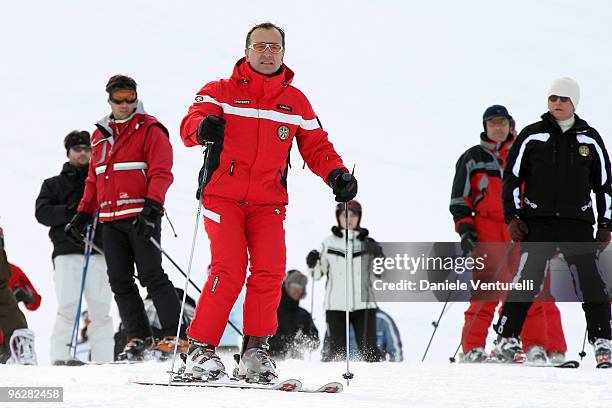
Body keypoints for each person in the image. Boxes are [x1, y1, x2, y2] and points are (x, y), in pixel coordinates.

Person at [179, 22, 357, 383]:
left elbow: (316, 145)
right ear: (246, 51)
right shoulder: (219, 91)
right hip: (222, 195)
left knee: (270, 271)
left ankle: (255, 352)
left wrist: (336, 173)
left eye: (274, 47)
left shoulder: (295, 101)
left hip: (268, 201)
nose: (267, 52)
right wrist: (201, 129)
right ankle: (200, 350)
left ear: (283, 53)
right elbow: (189, 123)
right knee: (228, 268)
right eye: (260, 46)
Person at [493, 77, 612, 364]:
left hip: (578, 223)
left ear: (574, 103)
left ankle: (603, 344)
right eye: (553, 98)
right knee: (527, 280)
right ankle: (506, 339)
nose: (557, 103)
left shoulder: (590, 138)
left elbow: (605, 185)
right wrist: (513, 217)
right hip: (538, 222)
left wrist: (605, 223)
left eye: (563, 99)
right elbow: (511, 180)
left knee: (592, 283)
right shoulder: (533, 136)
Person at [66, 75, 184, 361]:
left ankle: (175, 335)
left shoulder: (150, 129)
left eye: (129, 97)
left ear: (136, 97)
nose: (124, 103)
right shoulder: (99, 134)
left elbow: (161, 171)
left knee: (151, 274)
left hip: (140, 216)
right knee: (119, 280)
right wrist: (82, 213)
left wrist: (152, 208)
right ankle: (138, 337)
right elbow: (94, 179)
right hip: (109, 218)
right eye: (118, 98)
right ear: (109, 99)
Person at [450, 105, 567, 363]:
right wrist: (465, 229)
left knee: (530, 288)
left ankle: (534, 345)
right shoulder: (472, 158)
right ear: (485, 127)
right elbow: (459, 200)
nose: (498, 128)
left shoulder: (524, 154)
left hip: (520, 229)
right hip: (486, 229)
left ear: (510, 125)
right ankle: (472, 347)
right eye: (493, 124)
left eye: (503, 123)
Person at [35, 130, 114, 364]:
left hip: (98, 253)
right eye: (78, 149)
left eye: (87, 149)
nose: (83, 153)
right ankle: (60, 356)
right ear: (68, 152)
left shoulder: (102, 181)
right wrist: (72, 212)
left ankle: (103, 360)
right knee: (67, 305)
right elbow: (42, 213)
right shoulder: (53, 184)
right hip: (67, 252)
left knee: (100, 309)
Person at [308, 200, 382, 362]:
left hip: (365, 305)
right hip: (336, 306)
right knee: (336, 352)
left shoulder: (368, 243)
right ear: (338, 217)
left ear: (359, 218)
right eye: (344, 215)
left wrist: (379, 256)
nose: (348, 219)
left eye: (353, 215)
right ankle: (334, 382)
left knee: (370, 351)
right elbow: (317, 275)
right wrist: (313, 263)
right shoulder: (328, 242)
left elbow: (381, 274)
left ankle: (376, 382)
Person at [0, 226, 37, 365]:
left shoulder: (13, 271)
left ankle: (19, 348)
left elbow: (35, 302)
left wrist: (26, 297)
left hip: (6, 342)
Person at [268, 270, 319, 359]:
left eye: (301, 287)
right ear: (287, 285)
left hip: (294, 364)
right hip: (268, 360)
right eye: (294, 285)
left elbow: (315, 342)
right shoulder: (271, 308)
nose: (297, 289)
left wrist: (303, 341)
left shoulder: (304, 315)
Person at [321, 308, 404, 362]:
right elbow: (327, 350)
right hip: (344, 372)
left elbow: (396, 353)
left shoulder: (383, 320)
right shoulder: (338, 319)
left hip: (372, 372)